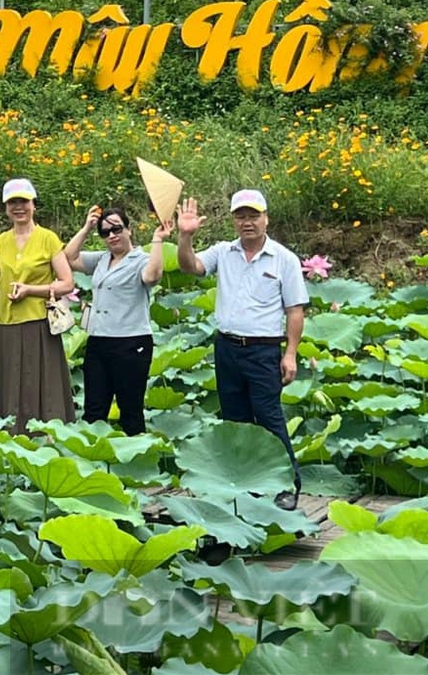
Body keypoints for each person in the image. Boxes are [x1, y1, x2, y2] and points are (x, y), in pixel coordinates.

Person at [175, 189, 308, 511]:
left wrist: (290, 354)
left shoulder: (284, 259)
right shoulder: (223, 252)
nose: (247, 222)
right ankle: (244, 487)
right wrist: (185, 236)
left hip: (263, 351)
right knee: (234, 420)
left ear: (266, 219)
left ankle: (287, 484)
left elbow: (295, 310)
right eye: (241, 216)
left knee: (269, 417)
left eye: (253, 216)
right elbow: (190, 266)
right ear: (233, 220)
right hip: (227, 347)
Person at [0, 178, 75, 426]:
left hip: (38, 325)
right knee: (8, 385)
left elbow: (67, 283)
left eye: (23, 202)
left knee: (39, 386)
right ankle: (9, 437)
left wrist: (31, 290)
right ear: (5, 208)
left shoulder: (48, 238)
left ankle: (43, 436)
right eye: (12, 202)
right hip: (4, 324)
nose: (18, 207)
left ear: (33, 204)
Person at [62, 204, 168, 433]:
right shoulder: (101, 259)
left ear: (129, 229)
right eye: (105, 232)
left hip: (131, 342)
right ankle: (93, 462)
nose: (111, 236)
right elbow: (68, 258)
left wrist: (158, 240)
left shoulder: (141, 259)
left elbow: (152, 276)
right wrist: (87, 227)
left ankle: (136, 461)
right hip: (99, 341)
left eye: (117, 229)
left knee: (130, 410)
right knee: (93, 410)